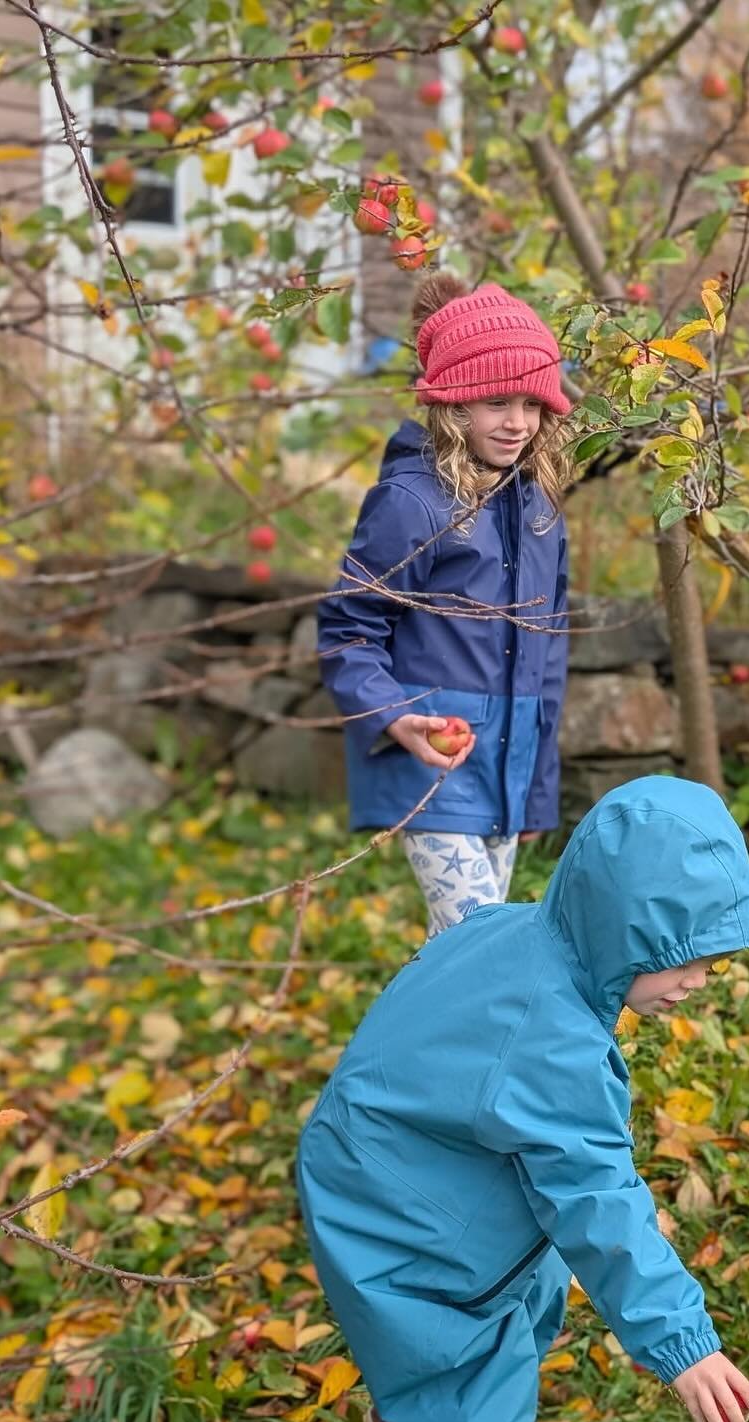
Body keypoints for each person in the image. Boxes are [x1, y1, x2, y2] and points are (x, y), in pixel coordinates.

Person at [295, 776, 749, 1422]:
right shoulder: (555, 1049)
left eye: (712, 965)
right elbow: (599, 1201)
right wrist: (684, 1346)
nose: (695, 981)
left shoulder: (511, 930)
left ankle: (402, 1417)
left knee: (497, 1320)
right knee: (464, 1392)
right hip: (408, 1234)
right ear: (623, 927)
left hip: (396, 1169)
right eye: (683, 957)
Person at [318, 272, 573, 936]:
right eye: (495, 402)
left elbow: (548, 657)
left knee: (456, 954)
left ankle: (412, 1042)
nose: (517, 422)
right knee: (480, 942)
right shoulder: (413, 503)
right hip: (431, 760)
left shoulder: (542, 512)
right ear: (454, 406)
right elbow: (349, 627)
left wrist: (536, 790)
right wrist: (396, 718)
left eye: (531, 403)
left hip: (507, 769)